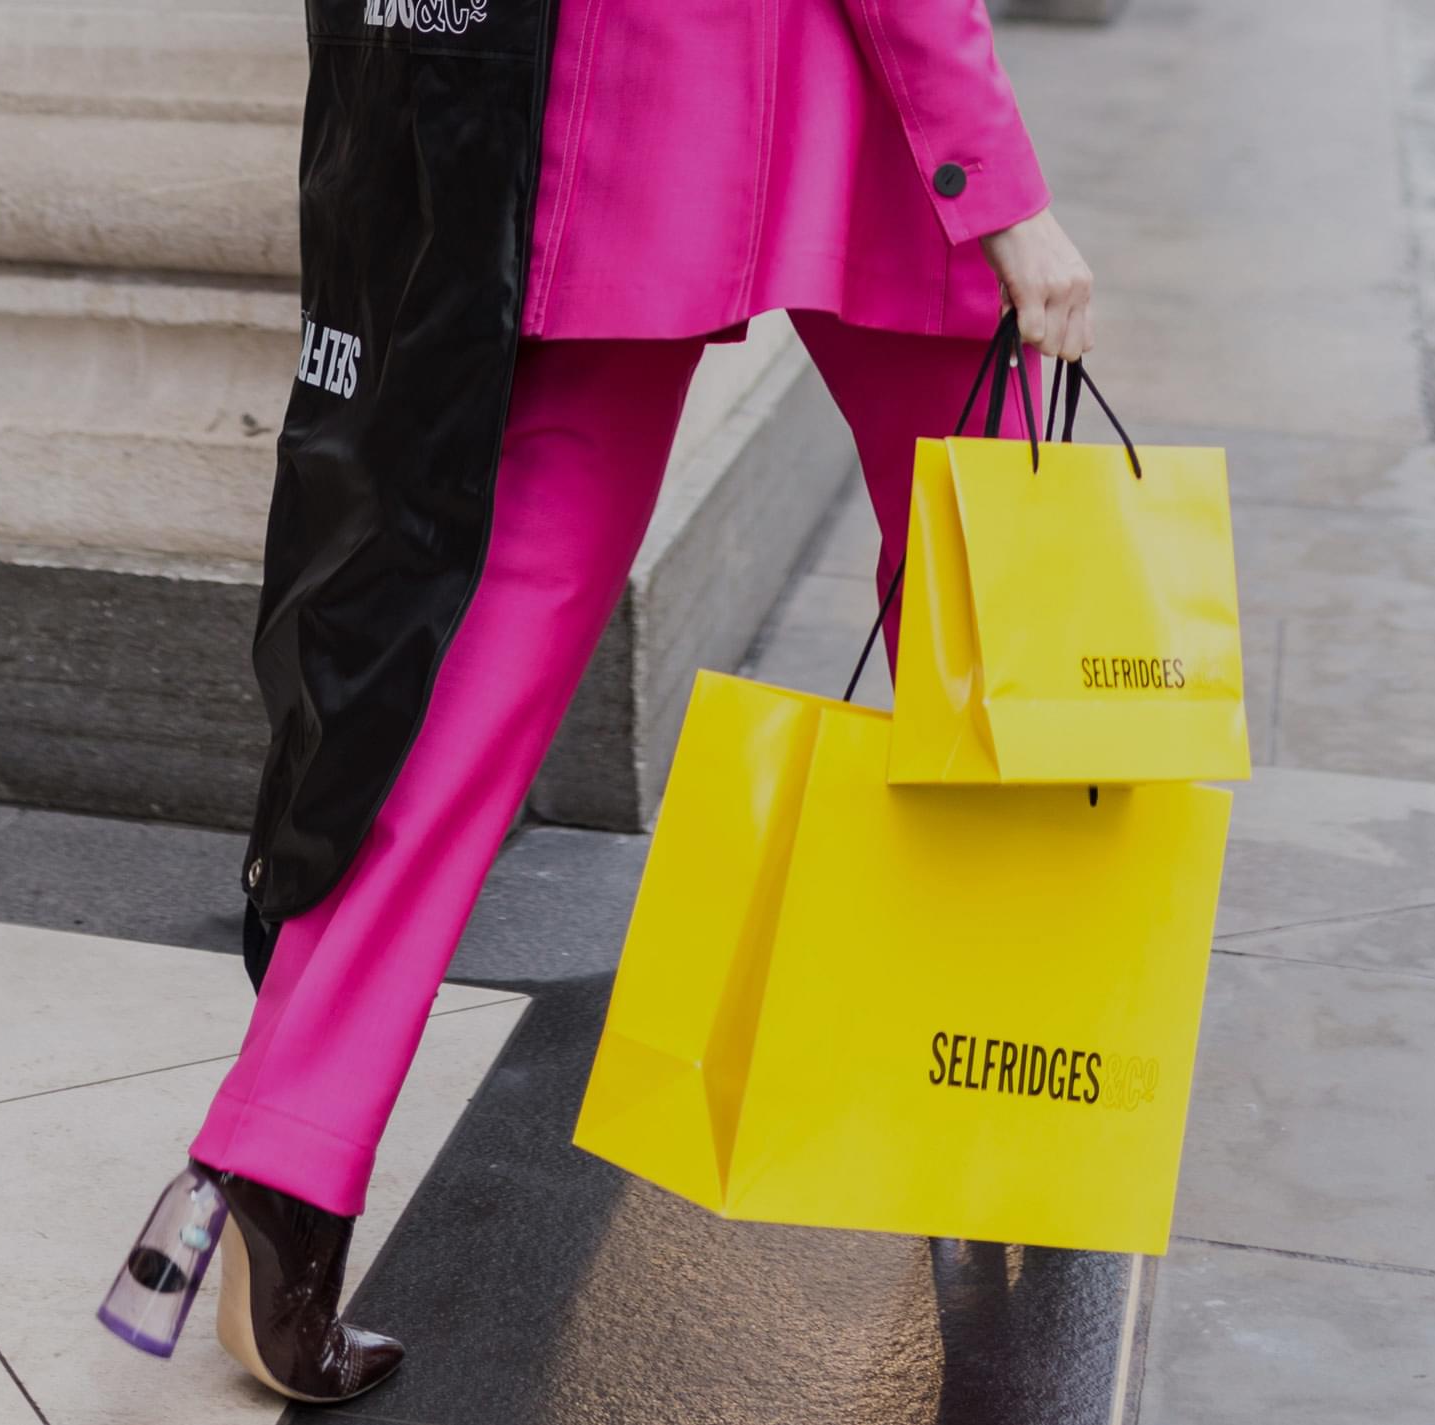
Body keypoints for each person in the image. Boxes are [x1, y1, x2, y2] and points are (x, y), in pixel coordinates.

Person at [100, 0, 1097, 1403]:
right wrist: (1003, 190)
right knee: (987, 578)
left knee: (490, 655)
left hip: (631, 111)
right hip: (862, 103)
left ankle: (280, 1156)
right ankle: (997, 1077)